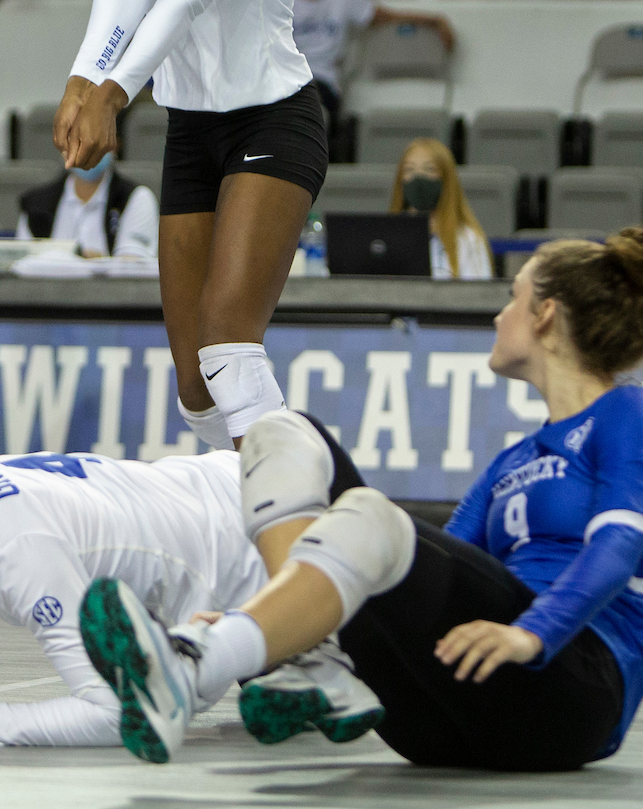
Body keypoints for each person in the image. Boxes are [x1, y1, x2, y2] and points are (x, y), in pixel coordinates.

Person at [80, 228, 643, 772]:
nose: (499, 315)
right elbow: (426, 574)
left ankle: (194, 664)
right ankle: (306, 653)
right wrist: (262, 614)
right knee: (282, 431)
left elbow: (621, 545)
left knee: (372, 518)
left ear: (545, 314)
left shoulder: (625, 413)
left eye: (512, 296)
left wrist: (531, 632)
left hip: (572, 692)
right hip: (450, 713)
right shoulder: (509, 464)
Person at [53, 0, 327, 459]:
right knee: (194, 383)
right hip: (190, 129)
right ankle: (235, 510)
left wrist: (112, 92)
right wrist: (82, 77)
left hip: (274, 119)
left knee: (231, 345)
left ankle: (300, 508)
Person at [0, 417, 266, 746]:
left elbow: (120, 713)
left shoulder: (16, 550)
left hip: (264, 555)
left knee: (259, 696)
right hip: (239, 484)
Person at [293, 0, 454, 138]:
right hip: (290, 78)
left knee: (312, 105)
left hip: (325, 82)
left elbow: (386, 16)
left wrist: (434, 20)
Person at [15, 151, 158, 260]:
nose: (86, 149)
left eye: (94, 141)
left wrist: (83, 259)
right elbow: (22, 262)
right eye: (77, 140)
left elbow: (133, 267)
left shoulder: (136, 198)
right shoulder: (36, 203)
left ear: (113, 144)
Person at [391, 137, 493, 279]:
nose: (418, 177)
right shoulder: (389, 237)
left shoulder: (468, 240)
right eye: (409, 169)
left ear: (446, 179)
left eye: (429, 169)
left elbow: (479, 296)